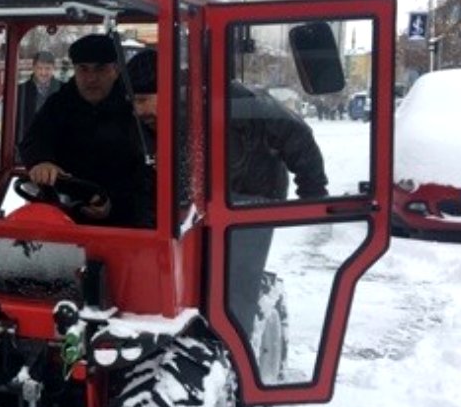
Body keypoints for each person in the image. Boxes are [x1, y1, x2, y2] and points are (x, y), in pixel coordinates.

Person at [125, 48, 328, 330]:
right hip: (194, 203)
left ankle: (235, 342)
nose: (138, 109)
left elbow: (295, 132)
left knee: (234, 285)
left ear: (170, 91)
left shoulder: (235, 103)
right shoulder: (152, 121)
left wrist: (313, 189)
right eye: (133, 101)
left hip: (247, 201)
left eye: (144, 100)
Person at [17, 33, 148, 225]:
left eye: (100, 69)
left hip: (126, 220)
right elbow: (33, 139)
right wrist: (41, 161)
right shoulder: (59, 103)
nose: (91, 78)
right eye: (83, 69)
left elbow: (145, 175)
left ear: (116, 70)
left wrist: (114, 203)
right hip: (66, 213)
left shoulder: (133, 107)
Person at [15, 49, 60, 145]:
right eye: (40, 68)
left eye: (47, 68)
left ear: (53, 68)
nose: (43, 72)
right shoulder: (20, 91)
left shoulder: (64, 90)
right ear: (34, 68)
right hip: (27, 148)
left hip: (57, 149)